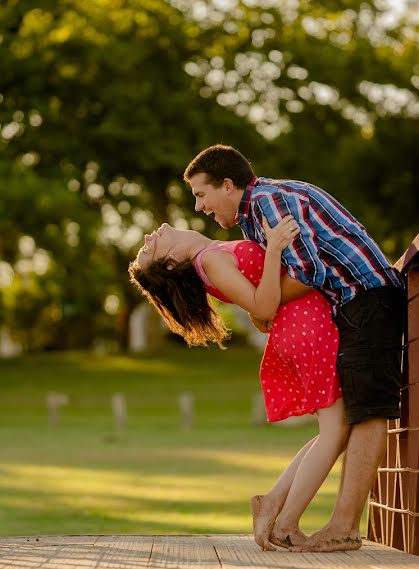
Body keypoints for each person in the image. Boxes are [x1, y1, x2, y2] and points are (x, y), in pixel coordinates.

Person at [183, 144, 406, 553]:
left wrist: (262, 304)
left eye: (201, 195)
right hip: (349, 304)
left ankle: (343, 527)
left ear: (227, 186)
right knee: (354, 413)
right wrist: (260, 303)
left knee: (370, 411)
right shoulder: (252, 219)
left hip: (369, 296)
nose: (199, 207)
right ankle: (305, 519)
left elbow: (307, 272)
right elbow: (280, 283)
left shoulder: (269, 202)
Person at [128, 220, 349, 551]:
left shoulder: (209, 255)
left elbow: (259, 296)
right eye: (148, 249)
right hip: (305, 330)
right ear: (171, 262)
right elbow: (262, 305)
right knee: (336, 430)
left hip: (304, 326)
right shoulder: (209, 261)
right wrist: (274, 248)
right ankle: (286, 524)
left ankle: (273, 503)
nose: (148, 236)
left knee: (335, 430)